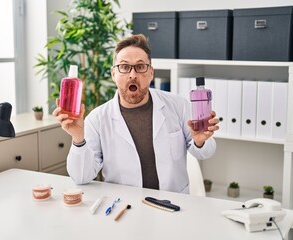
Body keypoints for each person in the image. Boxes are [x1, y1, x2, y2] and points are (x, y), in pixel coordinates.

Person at [53, 34, 219, 194]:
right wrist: (77, 138)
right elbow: (81, 177)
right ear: (113, 74)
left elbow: (205, 153)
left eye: (140, 67)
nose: (132, 75)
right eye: (124, 67)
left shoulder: (178, 105)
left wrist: (200, 142)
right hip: (125, 207)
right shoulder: (97, 119)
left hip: (173, 204)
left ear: (151, 73)